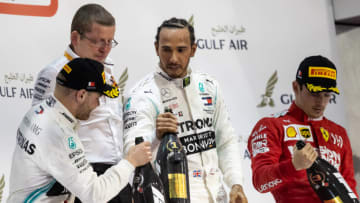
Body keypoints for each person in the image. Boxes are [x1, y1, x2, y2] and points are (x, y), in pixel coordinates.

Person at [123, 17, 248, 203]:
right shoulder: (142, 94)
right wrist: (156, 135)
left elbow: (226, 141)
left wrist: (236, 183)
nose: (173, 58)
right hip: (172, 197)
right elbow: (131, 151)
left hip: (218, 196)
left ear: (193, 49)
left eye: (181, 50)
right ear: (156, 48)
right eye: (166, 49)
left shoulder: (209, 86)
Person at [7, 58, 152, 202]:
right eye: (98, 97)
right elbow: (95, 194)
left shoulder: (38, 112)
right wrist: (131, 161)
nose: (98, 104)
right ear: (81, 95)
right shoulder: (60, 134)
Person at [31, 4, 130, 202]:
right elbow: (39, 130)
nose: (105, 49)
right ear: (75, 38)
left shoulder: (107, 69)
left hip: (116, 174)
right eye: (98, 41)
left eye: (110, 41)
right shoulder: (55, 73)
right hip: (83, 178)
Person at [247, 55, 358, 203]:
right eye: (314, 93)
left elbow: (349, 187)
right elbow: (260, 182)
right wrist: (293, 166)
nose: (321, 102)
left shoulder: (338, 132)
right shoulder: (272, 125)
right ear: (296, 87)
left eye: (327, 95)